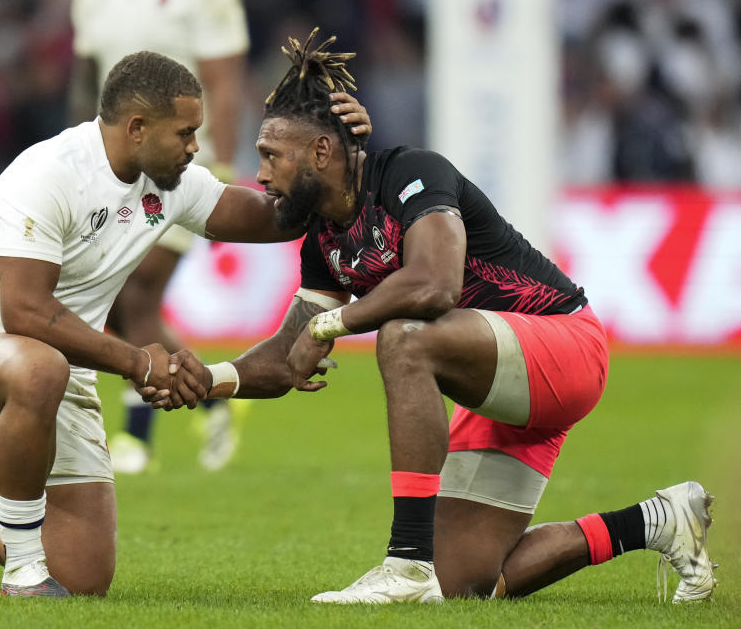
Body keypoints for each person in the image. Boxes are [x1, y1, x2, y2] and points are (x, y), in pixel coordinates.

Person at [144, 30, 716, 605]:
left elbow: (434, 285)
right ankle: (655, 521)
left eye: (270, 155)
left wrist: (332, 325)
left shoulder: (410, 173)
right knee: (466, 583)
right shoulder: (324, 239)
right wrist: (209, 380)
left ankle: (405, 563)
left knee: (406, 336)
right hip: (494, 380)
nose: (261, 175)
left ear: (321, 152)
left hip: (566, 349)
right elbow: (286, 355)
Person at [0, 51, 372, 597]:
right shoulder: (48, 174)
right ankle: (24, 574)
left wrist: (344, 162)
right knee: (38, 369)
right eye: (186, 133)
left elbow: (275, 218)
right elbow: (24, 312)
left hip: (62, 376)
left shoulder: (170, 182)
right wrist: (136, 361)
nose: (197, 147)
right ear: (137, 127)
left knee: (82, 578)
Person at [68, 0, 250, 473]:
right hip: (116, 163)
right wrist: (75, 155)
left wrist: (224, 170)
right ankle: (210, 394)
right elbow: (88, 82)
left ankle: (137, 435)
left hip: (184, 163)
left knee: (138, 292)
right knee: (116, 300)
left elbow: (224, 83)